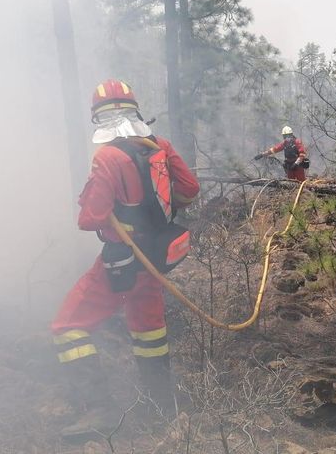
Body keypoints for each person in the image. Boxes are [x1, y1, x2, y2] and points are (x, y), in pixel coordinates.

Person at [51, 79, 200, 441]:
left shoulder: (107, 157)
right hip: (155, 261)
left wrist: (92, 196)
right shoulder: (159, 146)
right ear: (134, 111)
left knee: (68, 326)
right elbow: (190, 190)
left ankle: (96, 409)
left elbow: (90, 218)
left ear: (98, 118)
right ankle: (161, 407)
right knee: (150, 334)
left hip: (123, 261)